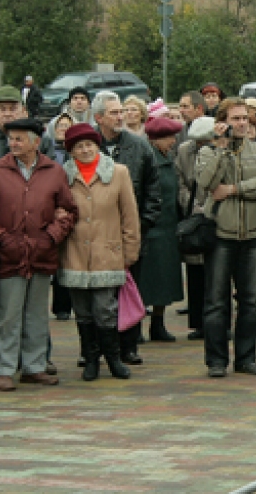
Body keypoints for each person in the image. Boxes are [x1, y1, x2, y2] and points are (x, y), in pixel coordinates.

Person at [0, 118, 78, 391]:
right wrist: (1, 238)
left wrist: (51, 236)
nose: (13, 143)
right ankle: (4, 368)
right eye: (11, 138)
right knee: (9, 314)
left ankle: (34, 366)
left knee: (37, 314)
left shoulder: (54, 172)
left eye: (19, 138)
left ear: (36, 142)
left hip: (42, 255)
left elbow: (69, 211)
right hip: (9, 256)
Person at [197, 97, 256, 377]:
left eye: (245, 118)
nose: (242, 123)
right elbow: (206, 183)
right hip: (220, 234)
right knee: (217, 302)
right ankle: (216, 361)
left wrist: (233, 189)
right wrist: (221, 150)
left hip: (254, 235)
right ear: (222, 122)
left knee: (251, 301)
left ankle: (246, 358)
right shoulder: (209, 151)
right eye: (235, 119)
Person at [59, 123, 140, 381]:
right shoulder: (62, 177)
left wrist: (130, 250)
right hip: (74, 253)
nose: (85, 150)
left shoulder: (118, 173)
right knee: (82, 311)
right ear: (70, 151)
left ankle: (113, 357)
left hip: (108, 251)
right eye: (78, 146)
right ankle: (90, 359)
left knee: (105, 309)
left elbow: (129, 215)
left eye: (89, 145)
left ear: (98, 146)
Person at [91, 91, 161, 365]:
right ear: (98, 118)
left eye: (121, 111)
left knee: (130, 290)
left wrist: (140, 226)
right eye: (114, 113)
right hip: (94, 236)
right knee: (97, 294)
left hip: (131, 234)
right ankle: (96, 348)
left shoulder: (140, 147)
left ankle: (129, 346)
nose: (120, 117)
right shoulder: (87, 145)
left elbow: (153, 193)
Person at [138, 116, 185, 342]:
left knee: (164, 282)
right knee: (144, 283)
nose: (174, 141)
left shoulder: (168, 158)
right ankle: (134, 327)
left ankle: (158, 323)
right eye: (169, 137)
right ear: (156, 139)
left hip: (168, 228)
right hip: (152, 229)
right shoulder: (147, 159)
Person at [175, 116, 216, 340]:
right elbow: (180, 180)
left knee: (217, 274)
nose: (201, 146)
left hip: (216, 213)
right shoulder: (184, 151)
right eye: (198, 142)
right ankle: (198, 322)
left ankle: (217, 323)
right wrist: (191, 203)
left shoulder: (222, 149)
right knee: (195, 271)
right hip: (192, 214)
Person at [48, 112, 76, 321]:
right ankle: (61, 306)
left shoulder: (77, 151)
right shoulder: (47, 151)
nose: (63, 128)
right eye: (60, 125)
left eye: (67, 125)